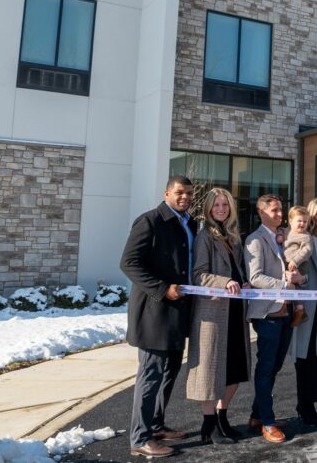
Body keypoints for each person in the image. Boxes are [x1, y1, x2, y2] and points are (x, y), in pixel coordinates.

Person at [120, 176, 197, 459]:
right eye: (179, 193)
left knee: (169, 372)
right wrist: (163, 289)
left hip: (179, 313)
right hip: (154, 313)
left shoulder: (190, 223)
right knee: (150, 376)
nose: (185, 197)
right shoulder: (150, 221)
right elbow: (129, 263)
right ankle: (140, 438)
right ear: (167, 193)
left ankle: (156, 425)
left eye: (189, 193)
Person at [186, 188, 252, 445]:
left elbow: (239, 271)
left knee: (235, 368)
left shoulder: (234, 237)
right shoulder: (204, 236)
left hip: (235, 311)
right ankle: (208, 424)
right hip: (213, 313)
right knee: (210, 369)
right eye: (217, 205)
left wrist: (243, 283)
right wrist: (225, 282)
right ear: (209, 208)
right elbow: (199, 274)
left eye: (225, 204)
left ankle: (222, 417)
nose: (221, 208)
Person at [243, 194, 302, 443]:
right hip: (267, 313)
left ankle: (258, 415)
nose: (280, 214)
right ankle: (267, 422)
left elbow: (293, 271)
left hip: (285, 313)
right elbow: (255, 277)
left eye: (281, 210)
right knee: (266, 367)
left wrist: (297, 277)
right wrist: (284, 283)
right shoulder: (254, 240)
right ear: (261, 212)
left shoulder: (283, 239)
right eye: (275, 210)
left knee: (275, 366)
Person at [293, 198, 317, 425]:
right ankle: (304, 406)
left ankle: (311, 402)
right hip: (304, 305)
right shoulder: (301, 239)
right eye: (316, 214)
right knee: (304, 356)